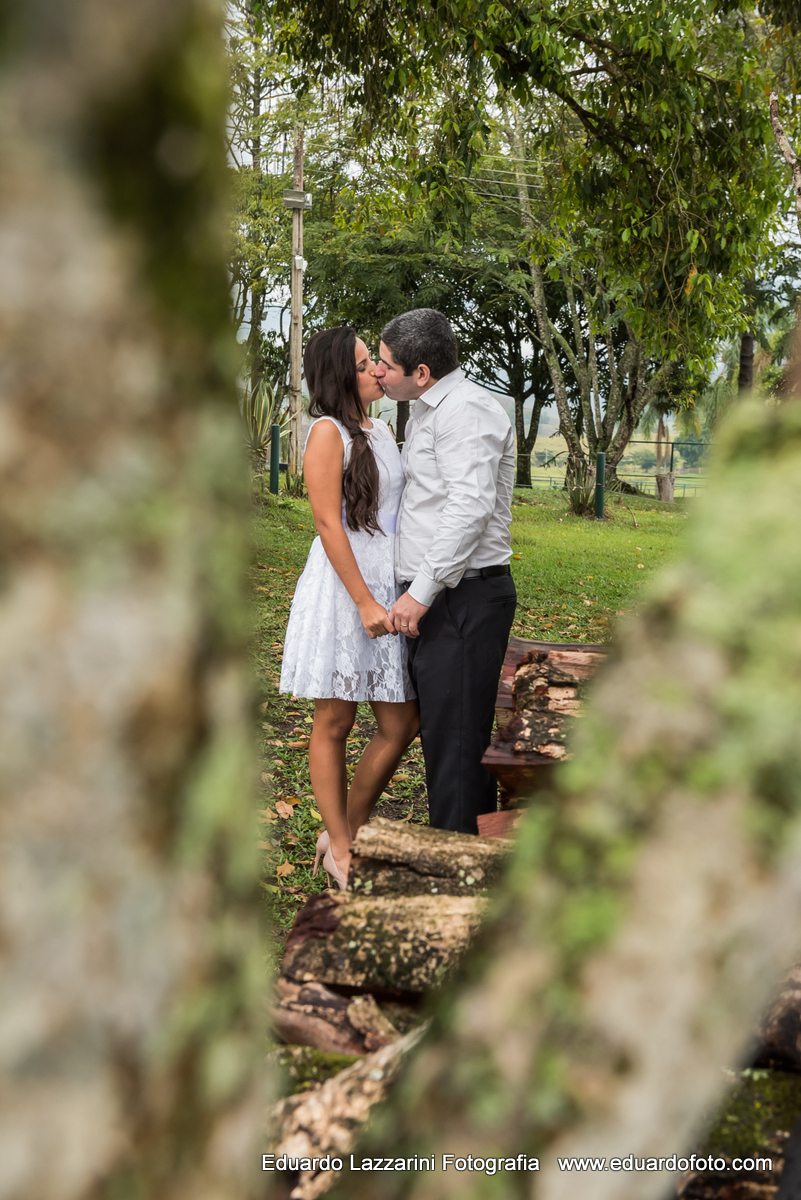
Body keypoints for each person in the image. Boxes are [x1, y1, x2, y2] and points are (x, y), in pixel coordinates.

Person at [279, 327, 419, 889]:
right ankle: (341, 847)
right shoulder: (326, 433)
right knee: (335, 720)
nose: (377, 371)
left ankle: (346, 829)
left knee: (401, 723)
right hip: (343, 588)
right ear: (342, 376)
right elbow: (326, 522)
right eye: (364, 365)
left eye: (373, 362)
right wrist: (363, 600)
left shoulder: (381, 430)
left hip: (387, 580)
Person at [374, 308, 516, 835]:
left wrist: (422, 592)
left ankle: (458, 870)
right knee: (445, 740)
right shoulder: (428, 410)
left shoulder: (467, 411)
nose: (378, 372)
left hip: (463, 599)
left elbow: (469, 508)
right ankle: (460, 858)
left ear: (422, 372)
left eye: (387, 364)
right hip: (441, 599)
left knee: (456, 748)